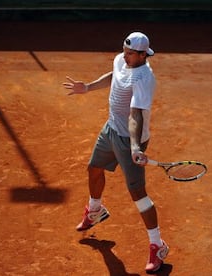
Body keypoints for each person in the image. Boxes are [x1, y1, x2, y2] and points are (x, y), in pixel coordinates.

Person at [63, 31, 169, 273]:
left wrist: (134, 146)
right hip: (110, 129)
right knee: (94, 169)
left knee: (137, 194)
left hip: (129, 139)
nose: (125, 55)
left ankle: (158, 245)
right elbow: (115, 76)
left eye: (131, 53)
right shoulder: (122, 59)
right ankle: (95, 210)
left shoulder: (144, 78)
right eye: (124, 50)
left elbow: (136, 115)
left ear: (144, 55)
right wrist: (88, 87)